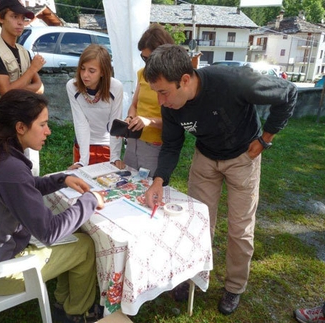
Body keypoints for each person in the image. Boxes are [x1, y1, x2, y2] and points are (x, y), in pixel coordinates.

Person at [143, 44, 297, 315]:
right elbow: (170, 145)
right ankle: (194, 275)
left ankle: (234, 287)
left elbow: (288, 93)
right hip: (205, 158)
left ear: (186, 80)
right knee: (197, 223)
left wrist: (266, 139)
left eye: (164, 92)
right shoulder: (170, 106)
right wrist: (158, 181)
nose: (160, 102)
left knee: (240, 228)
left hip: (243, 157)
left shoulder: (233, 81)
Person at [0, 89, 104, 323]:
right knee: (86, 246)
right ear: (20, 127)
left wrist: (61, 179)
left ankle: (63, 300)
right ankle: (77, 312)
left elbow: (21, 188)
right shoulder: (10, 169)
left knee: (75, 235)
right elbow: (49, 232)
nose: (48, 131)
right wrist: (90, 200)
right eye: (43, 124)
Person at [0, 0, 45, 176]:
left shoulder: (24, 51)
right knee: (8, 173)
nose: (20, 22)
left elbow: (39, 88)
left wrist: (12, 90)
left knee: (31, 172)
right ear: (0, 18)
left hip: (28, 120)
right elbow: (6, 93)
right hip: (4, 126)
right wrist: (32, 70)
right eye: (14, 16)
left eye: (23, 18)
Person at [122, 24, 174, 177]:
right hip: (134, 141)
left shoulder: (172, 79)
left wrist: (149, 121)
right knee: (128, 183)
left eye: (149, 58)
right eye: (143, 58)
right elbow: (134, 105)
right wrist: (130, 118)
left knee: (149, 188)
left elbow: (174, 122)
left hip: (155, 145)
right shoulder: (142, 73)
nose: (146, 63)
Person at [66, 44, 125, 170]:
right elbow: (81, 122)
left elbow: (114, 123)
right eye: (82, 69)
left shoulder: (116, 87)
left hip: (107, 144)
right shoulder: (72, 86)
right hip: (83, 144)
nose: (85, 75)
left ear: (103, 72)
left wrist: (115, 157)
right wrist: (83, 161)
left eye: (91, 71)